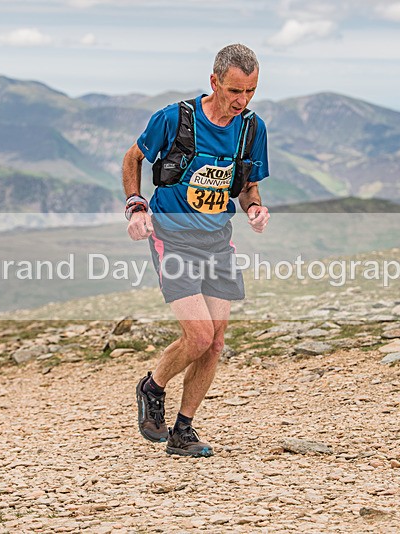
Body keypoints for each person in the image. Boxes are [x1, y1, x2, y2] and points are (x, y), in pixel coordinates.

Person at [122, 43, 270, 457]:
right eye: (235, 91)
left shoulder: (252, 129)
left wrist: (255, 207)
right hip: (173, 236)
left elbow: (248, 185)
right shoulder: (174, 118)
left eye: (251, 92)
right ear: (214, 82)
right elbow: (133, 158)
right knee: (199, 334)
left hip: (217, 239)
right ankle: (152, 387)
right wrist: (136, 205)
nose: (242, 102)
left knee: (216, 340)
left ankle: (182, 431)